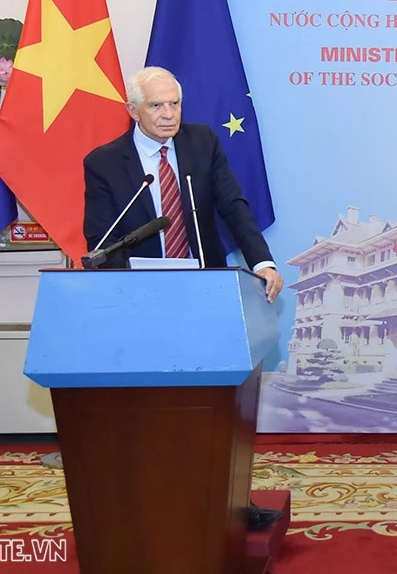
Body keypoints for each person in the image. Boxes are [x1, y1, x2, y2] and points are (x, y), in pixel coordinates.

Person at [82, 66, 283, 531]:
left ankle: (231, 503)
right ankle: (148, 504)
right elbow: (100, 239)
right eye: (157, 105)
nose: (169, 114)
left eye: (174, 104)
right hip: (141, 301)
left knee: (217, 407)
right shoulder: (104, 163)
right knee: (152, 412)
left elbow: (233, 206)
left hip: (206, 294)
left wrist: (262, 261)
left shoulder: (201, 143)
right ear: (133, 110)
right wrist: (130, 299)